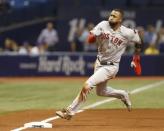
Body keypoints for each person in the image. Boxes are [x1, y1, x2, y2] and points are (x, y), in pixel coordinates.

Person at [56, 9, 142, 120]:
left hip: (111, 66)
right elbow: (90, 40)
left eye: (114, 16)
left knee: (87, 85)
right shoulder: (103, 24)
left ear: (120, 20)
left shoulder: (127, 32)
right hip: (99, 63)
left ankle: (69, 112)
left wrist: (136, 58)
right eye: (111, 15)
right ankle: (122, 94)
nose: (111, 17)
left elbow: (138, 41)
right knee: (101, 92)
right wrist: (94, 36)